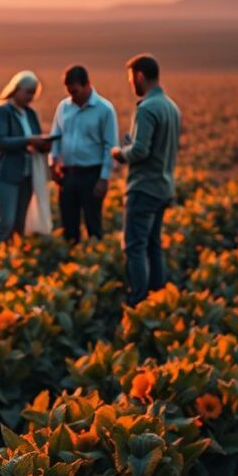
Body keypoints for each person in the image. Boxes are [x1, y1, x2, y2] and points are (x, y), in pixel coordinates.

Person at [111, 54, 181, 306]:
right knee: (153, 245)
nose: (131, 84)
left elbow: (140, 151)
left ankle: (137, 302)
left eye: (131, 78)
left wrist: (120, 153)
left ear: (140, 76)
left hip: (144, 187)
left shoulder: (147, 108)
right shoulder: (171, 106)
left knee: (134, 247)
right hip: (164, 186)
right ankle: (159, 299)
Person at [48, 65, 118, 244]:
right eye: (69, 91)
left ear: (88, 85)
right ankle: (71, 261)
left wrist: (104, 179)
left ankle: (95, 261)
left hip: (92, 174)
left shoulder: (104, 109)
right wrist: (53, 163)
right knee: (68, 225)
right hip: (68, 173)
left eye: (76, 91)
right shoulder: (63, 107)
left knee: (93, 224)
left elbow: (110, 146)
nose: (73, 96)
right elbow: (56, 137)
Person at [0, 70, 53, 251]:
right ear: (16, 90)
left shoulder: (30, 113)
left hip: (27, 174)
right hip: (7, 174)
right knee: (5, 222)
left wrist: (44, 144)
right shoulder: (3, 111)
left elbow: (36, 136)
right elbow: (0, 142)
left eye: (33, 93)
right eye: (28, 92)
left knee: (19, 224)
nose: (30, 97)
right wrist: (29, 141)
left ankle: (12, 257)